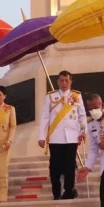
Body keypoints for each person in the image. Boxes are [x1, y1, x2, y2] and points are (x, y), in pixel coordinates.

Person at [38, 70, 86, 200]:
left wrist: (83, 131)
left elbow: (82, 115)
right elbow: (45, 117)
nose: (64, 83)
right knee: (55, 167)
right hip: (55, 137)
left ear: (71, 82)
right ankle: (56, 192)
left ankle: (68, 192)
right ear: (58, 82)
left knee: (70, 166)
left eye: (66, 80)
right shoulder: (51, 97)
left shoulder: (77, 96)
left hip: (71, 136)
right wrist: (41, 136)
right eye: (62, 80)